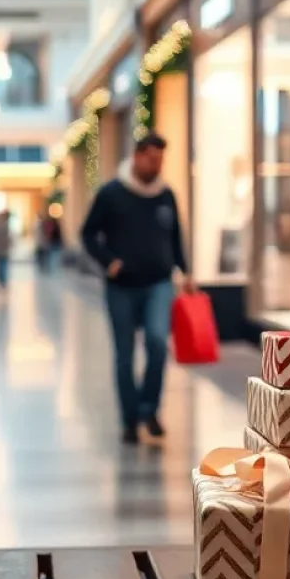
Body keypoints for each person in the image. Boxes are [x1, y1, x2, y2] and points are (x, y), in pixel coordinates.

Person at [81, 133, 194, 445]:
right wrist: (108, 262)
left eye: (161, 160)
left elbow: (175, 236)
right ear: (138, 156)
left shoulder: (165, 194)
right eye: (152, 159)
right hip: (121, 287)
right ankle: (129, 419)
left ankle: (149, 409)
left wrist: (185, 271)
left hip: (159, 283)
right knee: (124, 355)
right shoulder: (111, 193)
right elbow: (88, 234)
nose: (157, 166)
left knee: (158, 343)